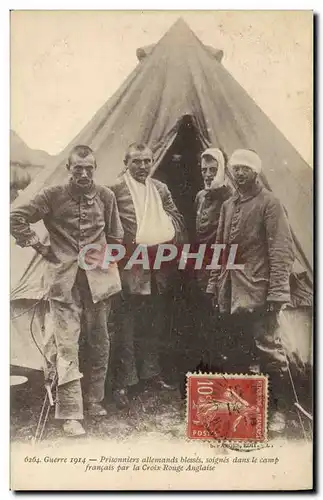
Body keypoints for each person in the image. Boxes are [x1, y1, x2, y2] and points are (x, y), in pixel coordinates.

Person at [11, 145, 124, 437]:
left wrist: (103, 260)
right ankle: (71, 413)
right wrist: (39, 246)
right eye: (78, 168)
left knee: (100, 340)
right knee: (66, 344)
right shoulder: (52, 196)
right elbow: (15, 216)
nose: (84, 174)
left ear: (95, 169)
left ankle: (95, 400)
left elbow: (116, 235)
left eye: (89, 168)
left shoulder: (106, 196)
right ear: (69, 169)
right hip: (63, 283)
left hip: (99, 282)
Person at [206, 149, 295, 433]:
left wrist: (278, 294)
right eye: (236, 168)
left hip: (259, 292)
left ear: (255, 172)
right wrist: (213, 284)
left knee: (268, 350)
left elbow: (281, 250)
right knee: (236, 351)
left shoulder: (270, 203)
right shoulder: (229, 205)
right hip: (231, 293)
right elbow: (220, 250)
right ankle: (245, 410)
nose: (240, 173)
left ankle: (279, 410)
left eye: (246, 168)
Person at [110, 142, 185, 408]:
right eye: (136, 161)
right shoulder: (115, 189)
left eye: (147, 161)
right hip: (129, 268)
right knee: (126, 326)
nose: (143, 167)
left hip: (157, 269)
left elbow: (176, 219)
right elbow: (111, 225)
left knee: (153, 324)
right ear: (126, 163)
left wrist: (160, 231)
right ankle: (125, 381)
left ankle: (150, 374)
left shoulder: (160, 189)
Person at [186, 148, 233, 373]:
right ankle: (206, 366)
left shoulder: (231, 197)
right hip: (202, 266)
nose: (208, 174)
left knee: (220, 318)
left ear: (222, 170)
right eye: (204, 170)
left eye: (213, 170)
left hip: (222, 265)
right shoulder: (200, 196)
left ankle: (220, 369)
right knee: (204, 315)